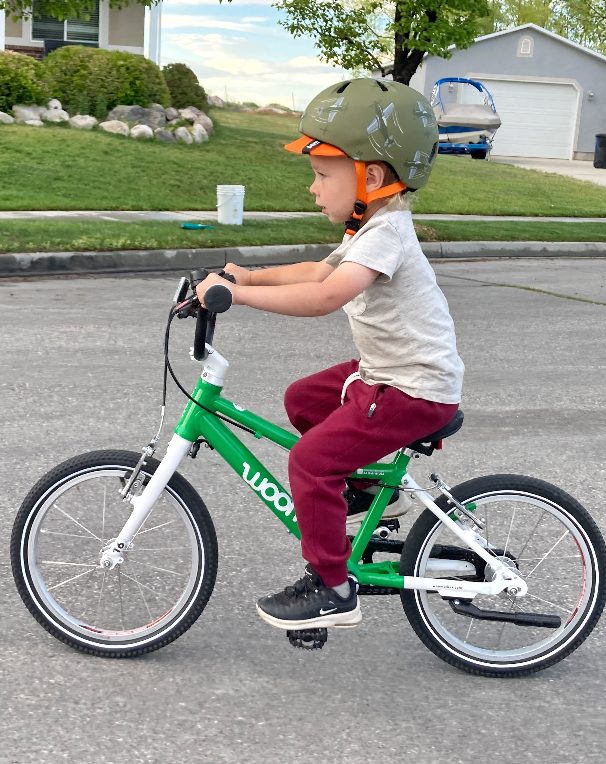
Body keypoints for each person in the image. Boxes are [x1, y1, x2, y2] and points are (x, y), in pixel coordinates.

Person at [197, 78, 464, 632]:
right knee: (304, 399)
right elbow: (319, 271)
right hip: (386, 373)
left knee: (309, 461)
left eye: (323, 175)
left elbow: (324, 297)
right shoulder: (367, 226)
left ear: (371, 177)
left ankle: (333, 588)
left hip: (415, 388)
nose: (313, 187)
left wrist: (236, 297)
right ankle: (367, 490)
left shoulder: (386, 233)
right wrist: (245, 275)